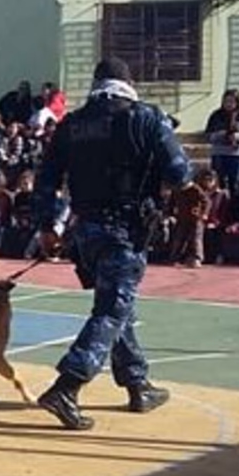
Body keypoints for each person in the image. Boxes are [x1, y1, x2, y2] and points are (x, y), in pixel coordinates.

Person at [34, 57, 191, 430]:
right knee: (111, 309)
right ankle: (67, 385)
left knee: (117, 305)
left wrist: (46, 225)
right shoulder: (147, 118)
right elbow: (180, 174)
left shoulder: (71, 124)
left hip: (85, 231)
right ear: (128, 82)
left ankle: (137, 382)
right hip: (126, 230)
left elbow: (46, 179)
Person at [204, 88, 239, 196]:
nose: (229, 104)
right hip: (220, 153)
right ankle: (221, 208)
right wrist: (221, 135)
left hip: (237, 154)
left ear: (237, 102)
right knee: (219, 183)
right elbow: (208, 136)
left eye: (232, 101)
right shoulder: (216, 115)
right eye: (226, 101)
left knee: (236, 183)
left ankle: (236, 209)